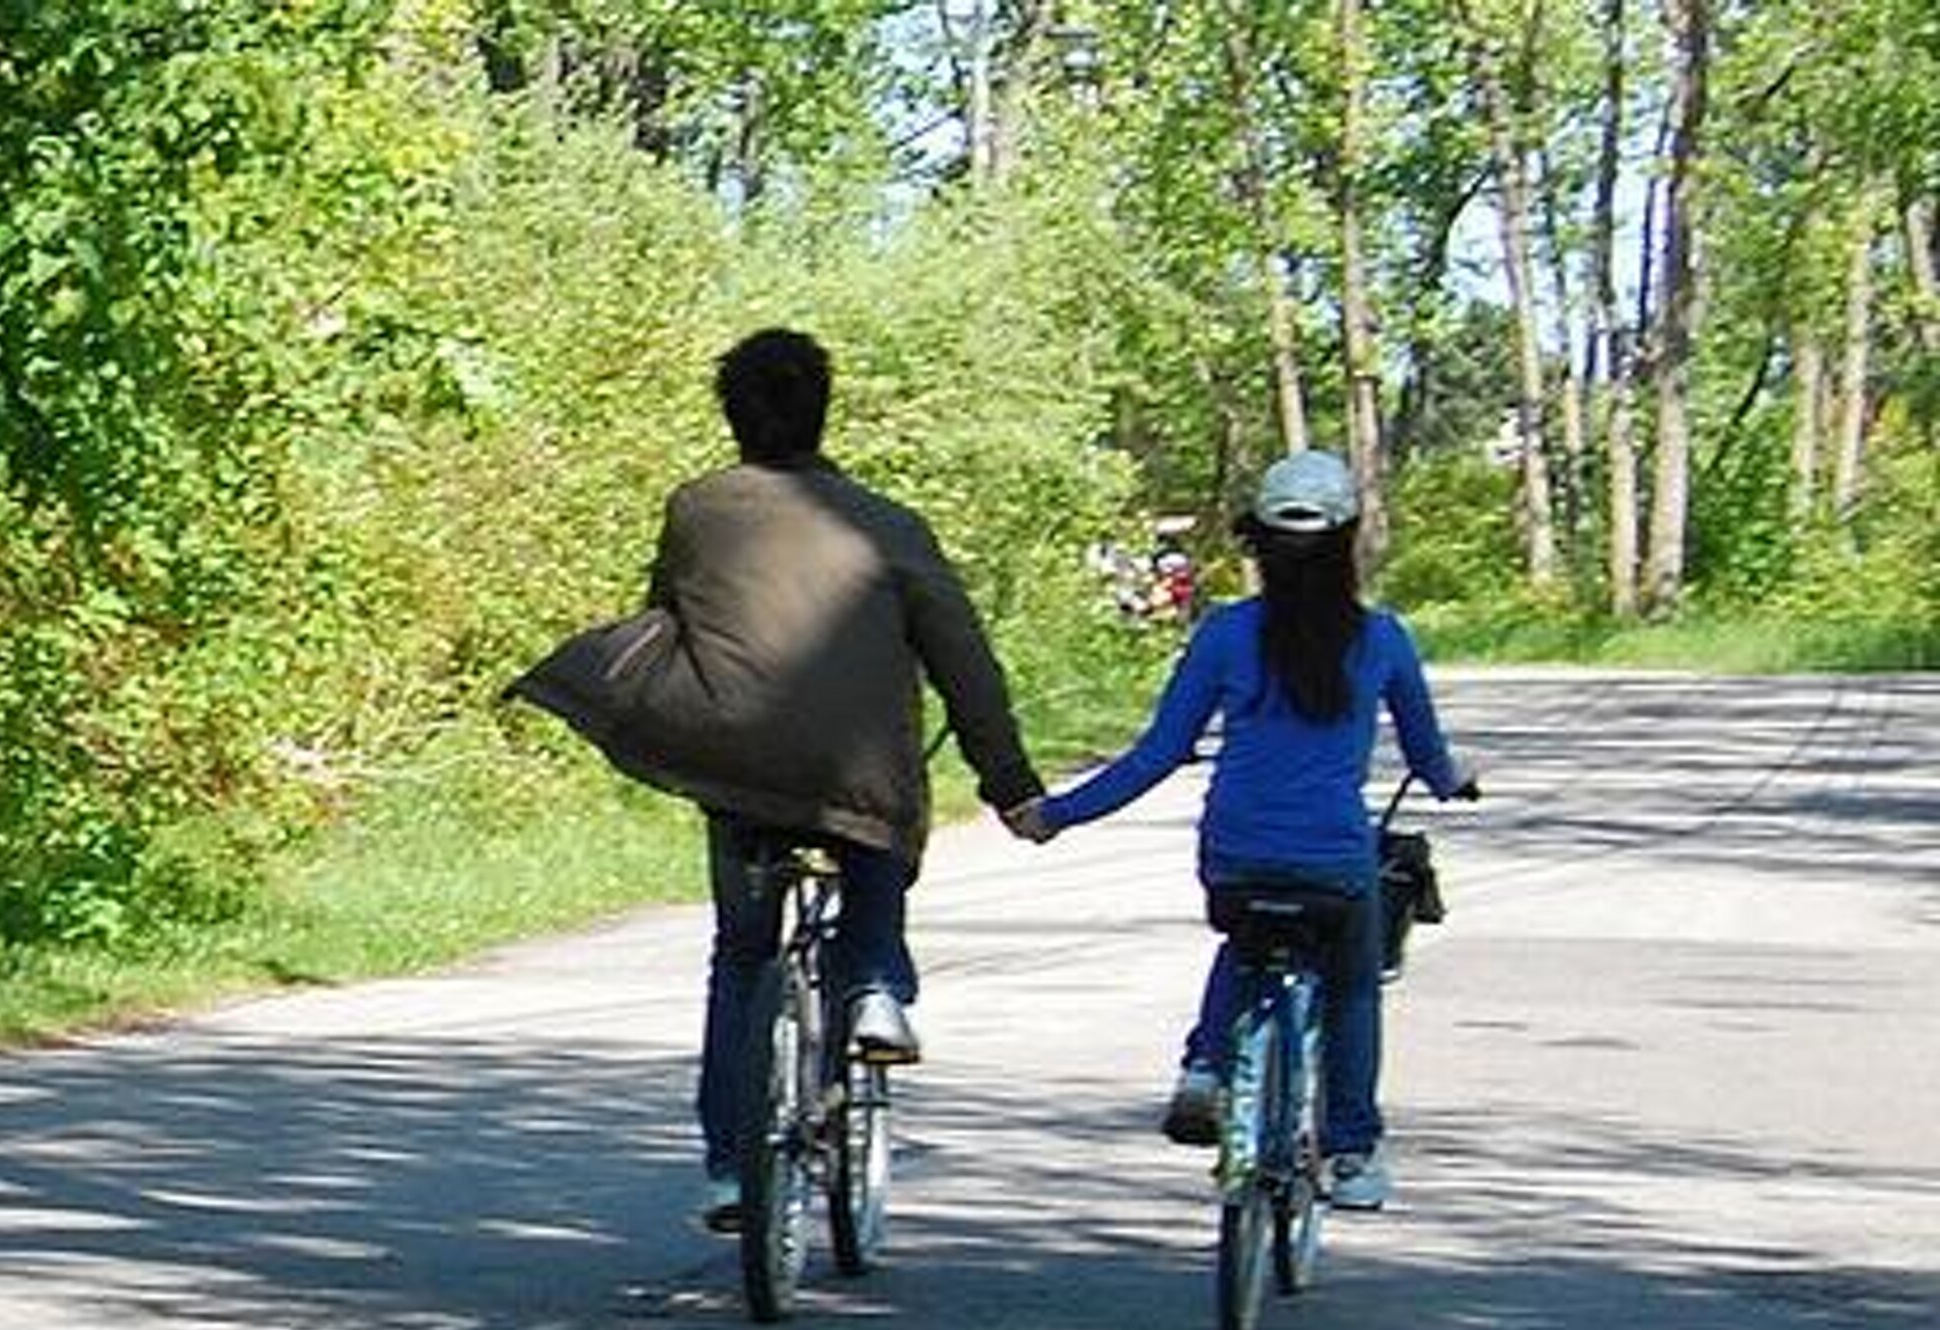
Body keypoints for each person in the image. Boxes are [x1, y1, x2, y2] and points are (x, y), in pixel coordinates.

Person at [509, 328, 1047, 1227]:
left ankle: (731, 1169)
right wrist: (1009, 781)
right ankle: (874, 985)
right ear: (823, 410)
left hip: (735, 768)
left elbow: (666, 612)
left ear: (732, 416)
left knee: (742, 956)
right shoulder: (888, 526)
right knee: (873, 846)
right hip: (857, 781)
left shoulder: (698, 509)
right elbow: (964, 660)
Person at [1007, 450, 1469, 1210]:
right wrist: (1454, 782)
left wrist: (1055, 815)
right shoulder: (1383, 639)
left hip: (1235, 851)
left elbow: (1157, 754)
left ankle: (1204, 1067)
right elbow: (1429, 757)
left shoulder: (1224, 634)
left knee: (1245, 938)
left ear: (1259, 543)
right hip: (1333, 859)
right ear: (1347, 540)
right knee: (1353, 985)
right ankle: (1351, 1153)